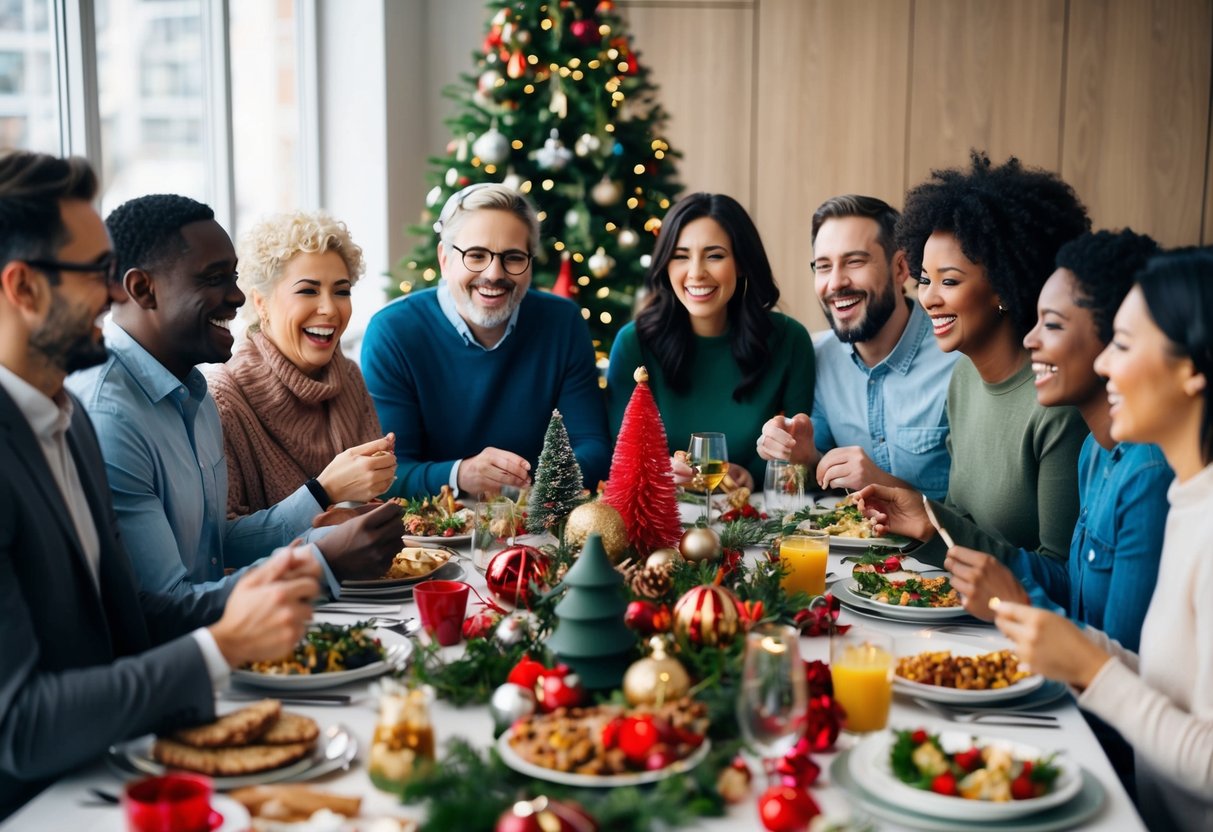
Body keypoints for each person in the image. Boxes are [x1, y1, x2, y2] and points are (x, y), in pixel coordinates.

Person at [0, 151, 320, 818]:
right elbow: (20, 728)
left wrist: (269, 588)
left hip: (118, 761)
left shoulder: (69, 421)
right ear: (23, 289)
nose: (114, 292)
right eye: (96, 273)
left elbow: (136, 616)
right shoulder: (90, 415)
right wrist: (223, 643)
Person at [67, 194, 402, 598]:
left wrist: (322, 508)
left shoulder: (195, 394)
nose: (238, 297)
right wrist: (321, 564)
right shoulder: (110, 415)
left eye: (234, 277)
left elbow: (215, 548)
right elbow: (164, 608)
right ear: (143, 289)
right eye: (213, 279)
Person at [942, 229, 1172, 796]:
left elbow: (1118, 675)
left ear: (1118, 340)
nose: (1031, 341)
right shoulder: (1097, 450)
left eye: (1053, 324)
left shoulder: (1147, 476)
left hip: (1119, 767)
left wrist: (1014, 602)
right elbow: (1073, 587)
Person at [993, 248, 1213, 832]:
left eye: (1123, 344)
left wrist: (1092, 666)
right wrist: (1063, 637)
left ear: (1193, 368)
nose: (1107, 367)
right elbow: (1169, 683)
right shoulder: (1188, 500)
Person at [856, 152, 1091, 567]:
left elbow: (1061, 572)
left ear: (1004, 285)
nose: (928, 298)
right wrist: (923, 515)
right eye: (924, 280)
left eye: (949, 281)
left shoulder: (1056, 406)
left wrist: (933, 524)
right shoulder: (963, 378)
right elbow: (969, 520)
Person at [362, 183, 611, 498]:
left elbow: (593, 447)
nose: (494, 273)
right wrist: (460, 474)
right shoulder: (393, 332)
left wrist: (525, 483)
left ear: (530, 263)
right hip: (429, 538)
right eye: (476, 255)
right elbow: (387, 474)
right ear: (444, 259)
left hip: (539, 521)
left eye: (513, 257)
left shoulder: (562, 323)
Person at [607, 192, 814, 488]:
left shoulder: (790, 341)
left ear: (742, 262)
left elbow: (797, 461)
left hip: (754, 521)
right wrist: (660, 471)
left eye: (715, 255)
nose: (696, 273)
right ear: (665, 265)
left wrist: (750, 476)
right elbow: (620, 457)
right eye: (680, 257)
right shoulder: (633, 344)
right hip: (660, 518)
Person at [757, 195, 958, 499]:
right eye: (823, 266)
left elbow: (978, 519)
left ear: (901, 268)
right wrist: (805, 458)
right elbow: (816, 474)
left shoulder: (957, 358)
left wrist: (880, 483)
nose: (835, 282)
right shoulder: (819, 355)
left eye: (854, 261)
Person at [209, 211, 395, 516]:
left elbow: (369, 506)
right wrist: (325, 494)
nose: (330, 309)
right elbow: (224, 543)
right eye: (308, 290)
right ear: (261, 303)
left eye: (341, 291)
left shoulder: (348, 377)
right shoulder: (223, 400)